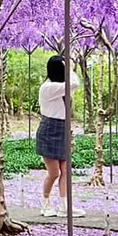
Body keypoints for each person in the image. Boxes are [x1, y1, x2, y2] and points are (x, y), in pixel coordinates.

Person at [36, 56, 78, 217]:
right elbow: (74, 83)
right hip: (49, 130)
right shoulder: (48, 87)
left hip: (62, 128)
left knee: (65, 170)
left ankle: (64, 205)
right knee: (54, 172)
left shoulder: (59, 87)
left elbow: (72, 85)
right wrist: (70, 68)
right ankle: (45, 204)